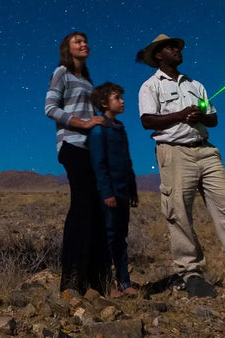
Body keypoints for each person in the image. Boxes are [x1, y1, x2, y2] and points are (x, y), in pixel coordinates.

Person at [136, 34, 225, 298]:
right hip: (174, 153)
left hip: (206, 151)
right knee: (179, 213)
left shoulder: (196, 84)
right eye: (170, 47)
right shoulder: (150, 86)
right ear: (159, 55)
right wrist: (180, 115)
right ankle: (191, 273)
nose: (177, 49)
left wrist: (201, 116)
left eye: (177, 46)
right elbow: (147, 121)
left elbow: (214, 118)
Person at [44, 31, 112, 295]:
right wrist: (83, 123)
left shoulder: (87, 79)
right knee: (82, 206)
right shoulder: (61, 72)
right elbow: (49, 108)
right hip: (71, 145)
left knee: (96, 209)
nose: (84, 44)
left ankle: (96, 279)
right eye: (77, 41)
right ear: (67, 49)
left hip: (90, 148)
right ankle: (72, 280)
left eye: (85, 40)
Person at [89, 82, 140, 297]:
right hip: (108, 194)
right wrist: (106, 191)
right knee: (107, 239)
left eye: (121, 97)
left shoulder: (120, 129)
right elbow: (98, 163)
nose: (122, 101)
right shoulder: (99, 130)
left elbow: (127, 162)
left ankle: (125, 283)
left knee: (120, 238)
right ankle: (106, 283)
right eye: (117, 98)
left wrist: (132, 190)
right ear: (104, 103)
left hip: (122, 192)